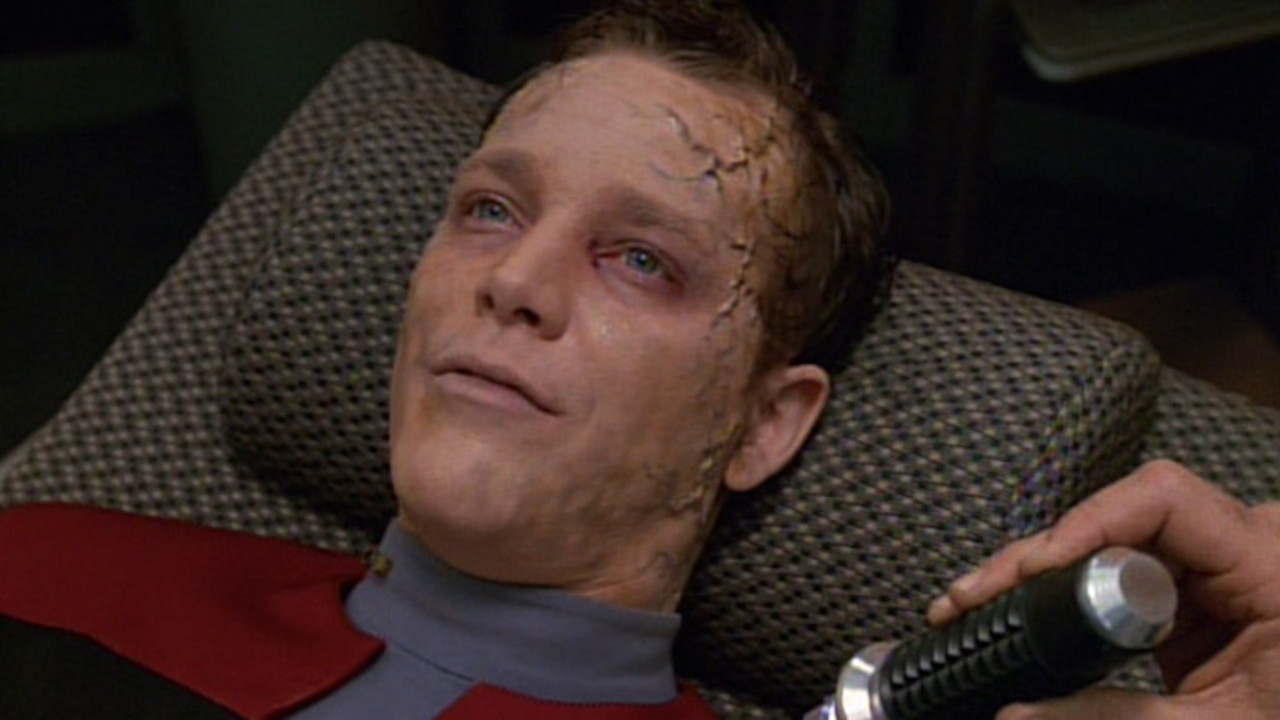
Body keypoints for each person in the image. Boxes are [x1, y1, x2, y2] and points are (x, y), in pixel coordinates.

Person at [0, 2, 1278, 720]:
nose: (513, 279)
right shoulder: (52, 562)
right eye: (489, 209)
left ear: (765, 424)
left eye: (640, 260)